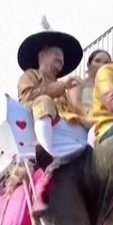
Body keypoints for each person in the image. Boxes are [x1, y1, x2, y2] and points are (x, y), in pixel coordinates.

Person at [16, 27, 89, 163]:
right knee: (44, 101)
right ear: (42, 56)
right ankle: (48, 150)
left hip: (65, 123)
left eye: (61, 56)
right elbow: (27, 97)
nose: (60, 58)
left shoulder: (64, 86)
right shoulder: (31, 75)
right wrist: (60, 87)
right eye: (56, 53)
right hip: (41, 120)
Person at [69, 49, 112, 119]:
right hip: (84, 120)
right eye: (97, 61)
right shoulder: (78, 82)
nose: (102, 65)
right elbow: (75, 104)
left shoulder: (112, 86)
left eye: (106, 62)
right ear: (89, 64)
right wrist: (91, 117)